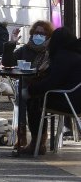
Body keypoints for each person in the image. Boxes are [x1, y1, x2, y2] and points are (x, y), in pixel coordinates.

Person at [22, 27, 81, 155]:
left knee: (33, 101)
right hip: (75, 98)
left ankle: (36, 143)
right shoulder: (75, 54)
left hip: (68, 101)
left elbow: (52, 82)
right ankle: (39, 142)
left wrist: (30, 90)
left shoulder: (63, 56)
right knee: (38, 98)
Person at [1, 20, 54, 148]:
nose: (38, 35)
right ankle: (21, 136)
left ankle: (38, 140)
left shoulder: (50, 50)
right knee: (21, 97)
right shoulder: (26, 49)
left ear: (48, 35)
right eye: (36, 32)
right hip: (26, 84)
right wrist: (11, 43)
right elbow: (7, 63)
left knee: (30, 98)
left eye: (42, 33)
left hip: (43, 87)